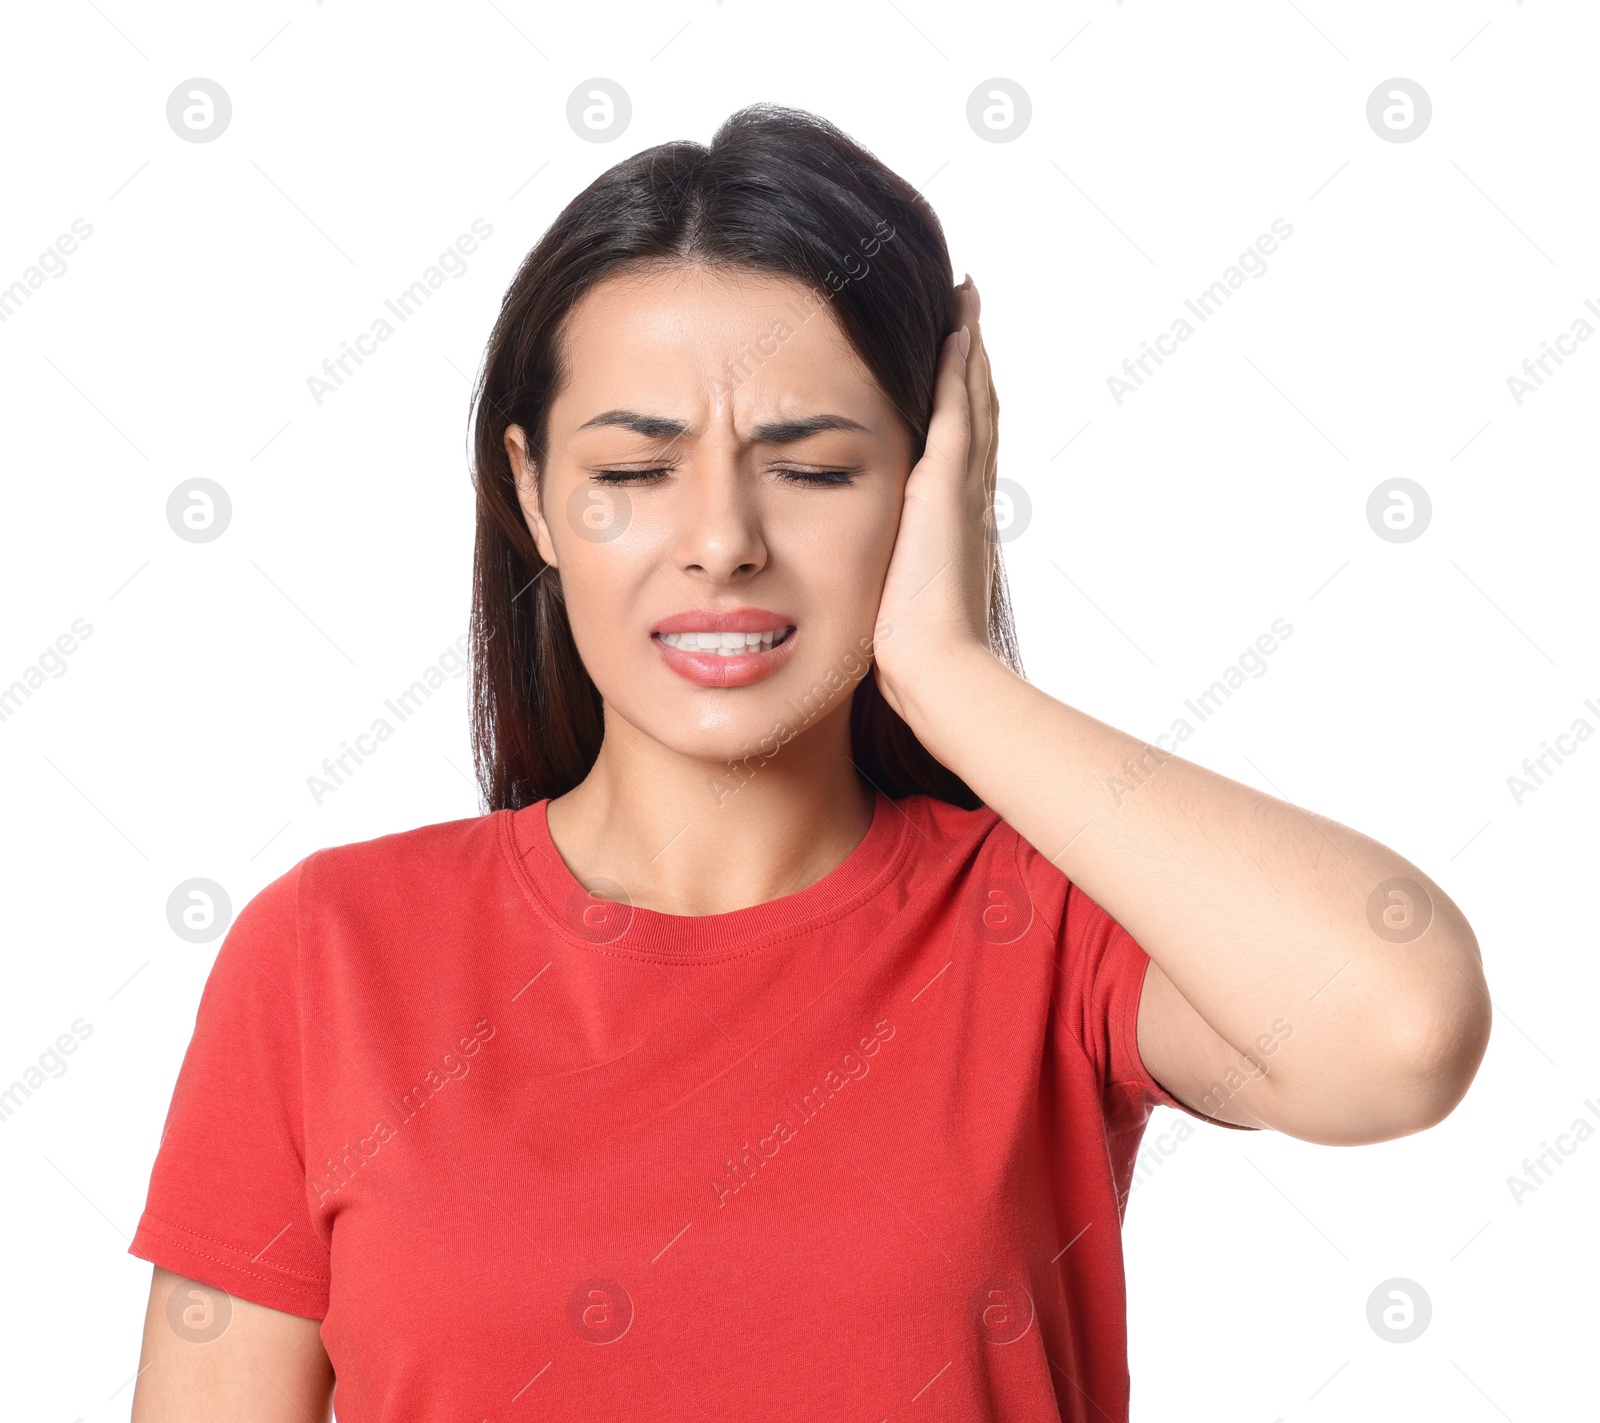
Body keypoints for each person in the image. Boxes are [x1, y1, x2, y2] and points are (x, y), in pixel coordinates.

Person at [127, 103, 1491, 1423]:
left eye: (817, 469)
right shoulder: (327, 955)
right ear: (533, 494)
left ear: (930, 488)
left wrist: (953, 676)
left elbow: (1403, 1031)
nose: (721, 538)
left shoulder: (1048, 920)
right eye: (636, 471)